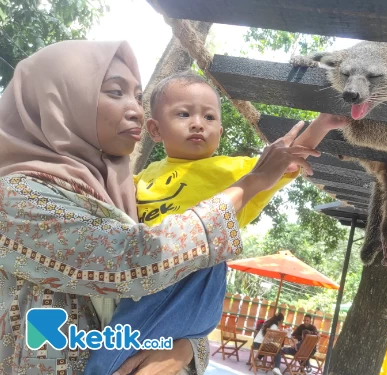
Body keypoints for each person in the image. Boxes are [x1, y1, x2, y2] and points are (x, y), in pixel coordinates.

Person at [0, 40, 318, 375]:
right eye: (114, 92)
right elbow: (132, 261)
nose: (136, 109)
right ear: (59, 101)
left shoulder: (118, 194)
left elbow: (157, 309)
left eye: (137, 96)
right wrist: (248, 184)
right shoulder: (15, 199)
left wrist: (183, 350)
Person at [86, 71, 345, 374]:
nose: (198, 123)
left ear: (220, 132)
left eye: (209, 117)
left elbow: (287, 158)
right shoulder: (144, 177)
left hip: (196, 276)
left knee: (108, 361)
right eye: (183, 114)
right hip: (150, 280)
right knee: (123, 352)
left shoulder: (233, 171)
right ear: (155, 129)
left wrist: (322, 123)